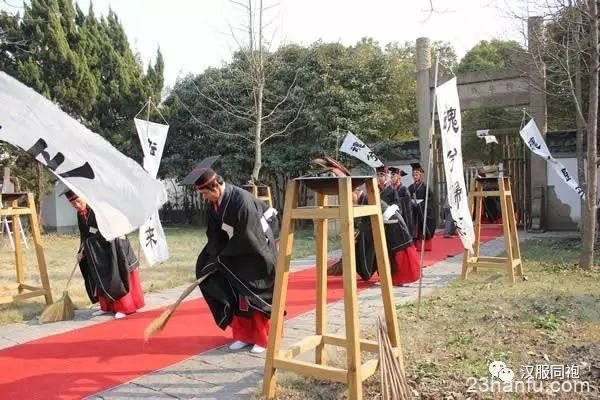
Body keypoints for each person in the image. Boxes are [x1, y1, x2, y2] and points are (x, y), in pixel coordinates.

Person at [181, 156, 278, 354]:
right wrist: (214, 256)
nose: (204, 198)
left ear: (215, 187)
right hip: (236, 250)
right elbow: (214, 234)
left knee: (252, 293)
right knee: (229, 289)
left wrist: (224, 257)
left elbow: (249, 235)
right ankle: (242, 334)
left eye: (204, 194)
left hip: (256, 251)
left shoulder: (241, 200)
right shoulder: (215, 203)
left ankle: (262, 336)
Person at [64, 189, 145, 319]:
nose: (77, 206)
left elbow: (109, 230)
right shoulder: (80, 214)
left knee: (115, 277)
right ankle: (106, 307)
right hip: (98, 250)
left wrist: (90, 243)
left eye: (78, 201)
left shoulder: (99, 208)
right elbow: (84, 235)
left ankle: (125, 307)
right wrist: (81, 251)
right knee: (98, 276)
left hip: (114, 248)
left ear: (85, 197)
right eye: (73, 204)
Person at [408, 162, 437, 251]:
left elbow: (430, 201)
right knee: (414, 228)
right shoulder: (410, 188)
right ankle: (415, 245)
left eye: (417, 174)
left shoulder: (425, 187)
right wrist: (411, 203)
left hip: (422, 211)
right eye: (414, 174)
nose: (415, 176)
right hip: (414, 211)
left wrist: (421, 205)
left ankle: (425, 246)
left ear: (420, 175)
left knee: (422, 228)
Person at [381, 166, 415, 238]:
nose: (392, 178)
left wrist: (396, 202)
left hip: (403, 213)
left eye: (394, 175)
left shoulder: (404, 189)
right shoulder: (390, 189)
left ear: (399, 177)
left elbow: (407, 200)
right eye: (391, 175)